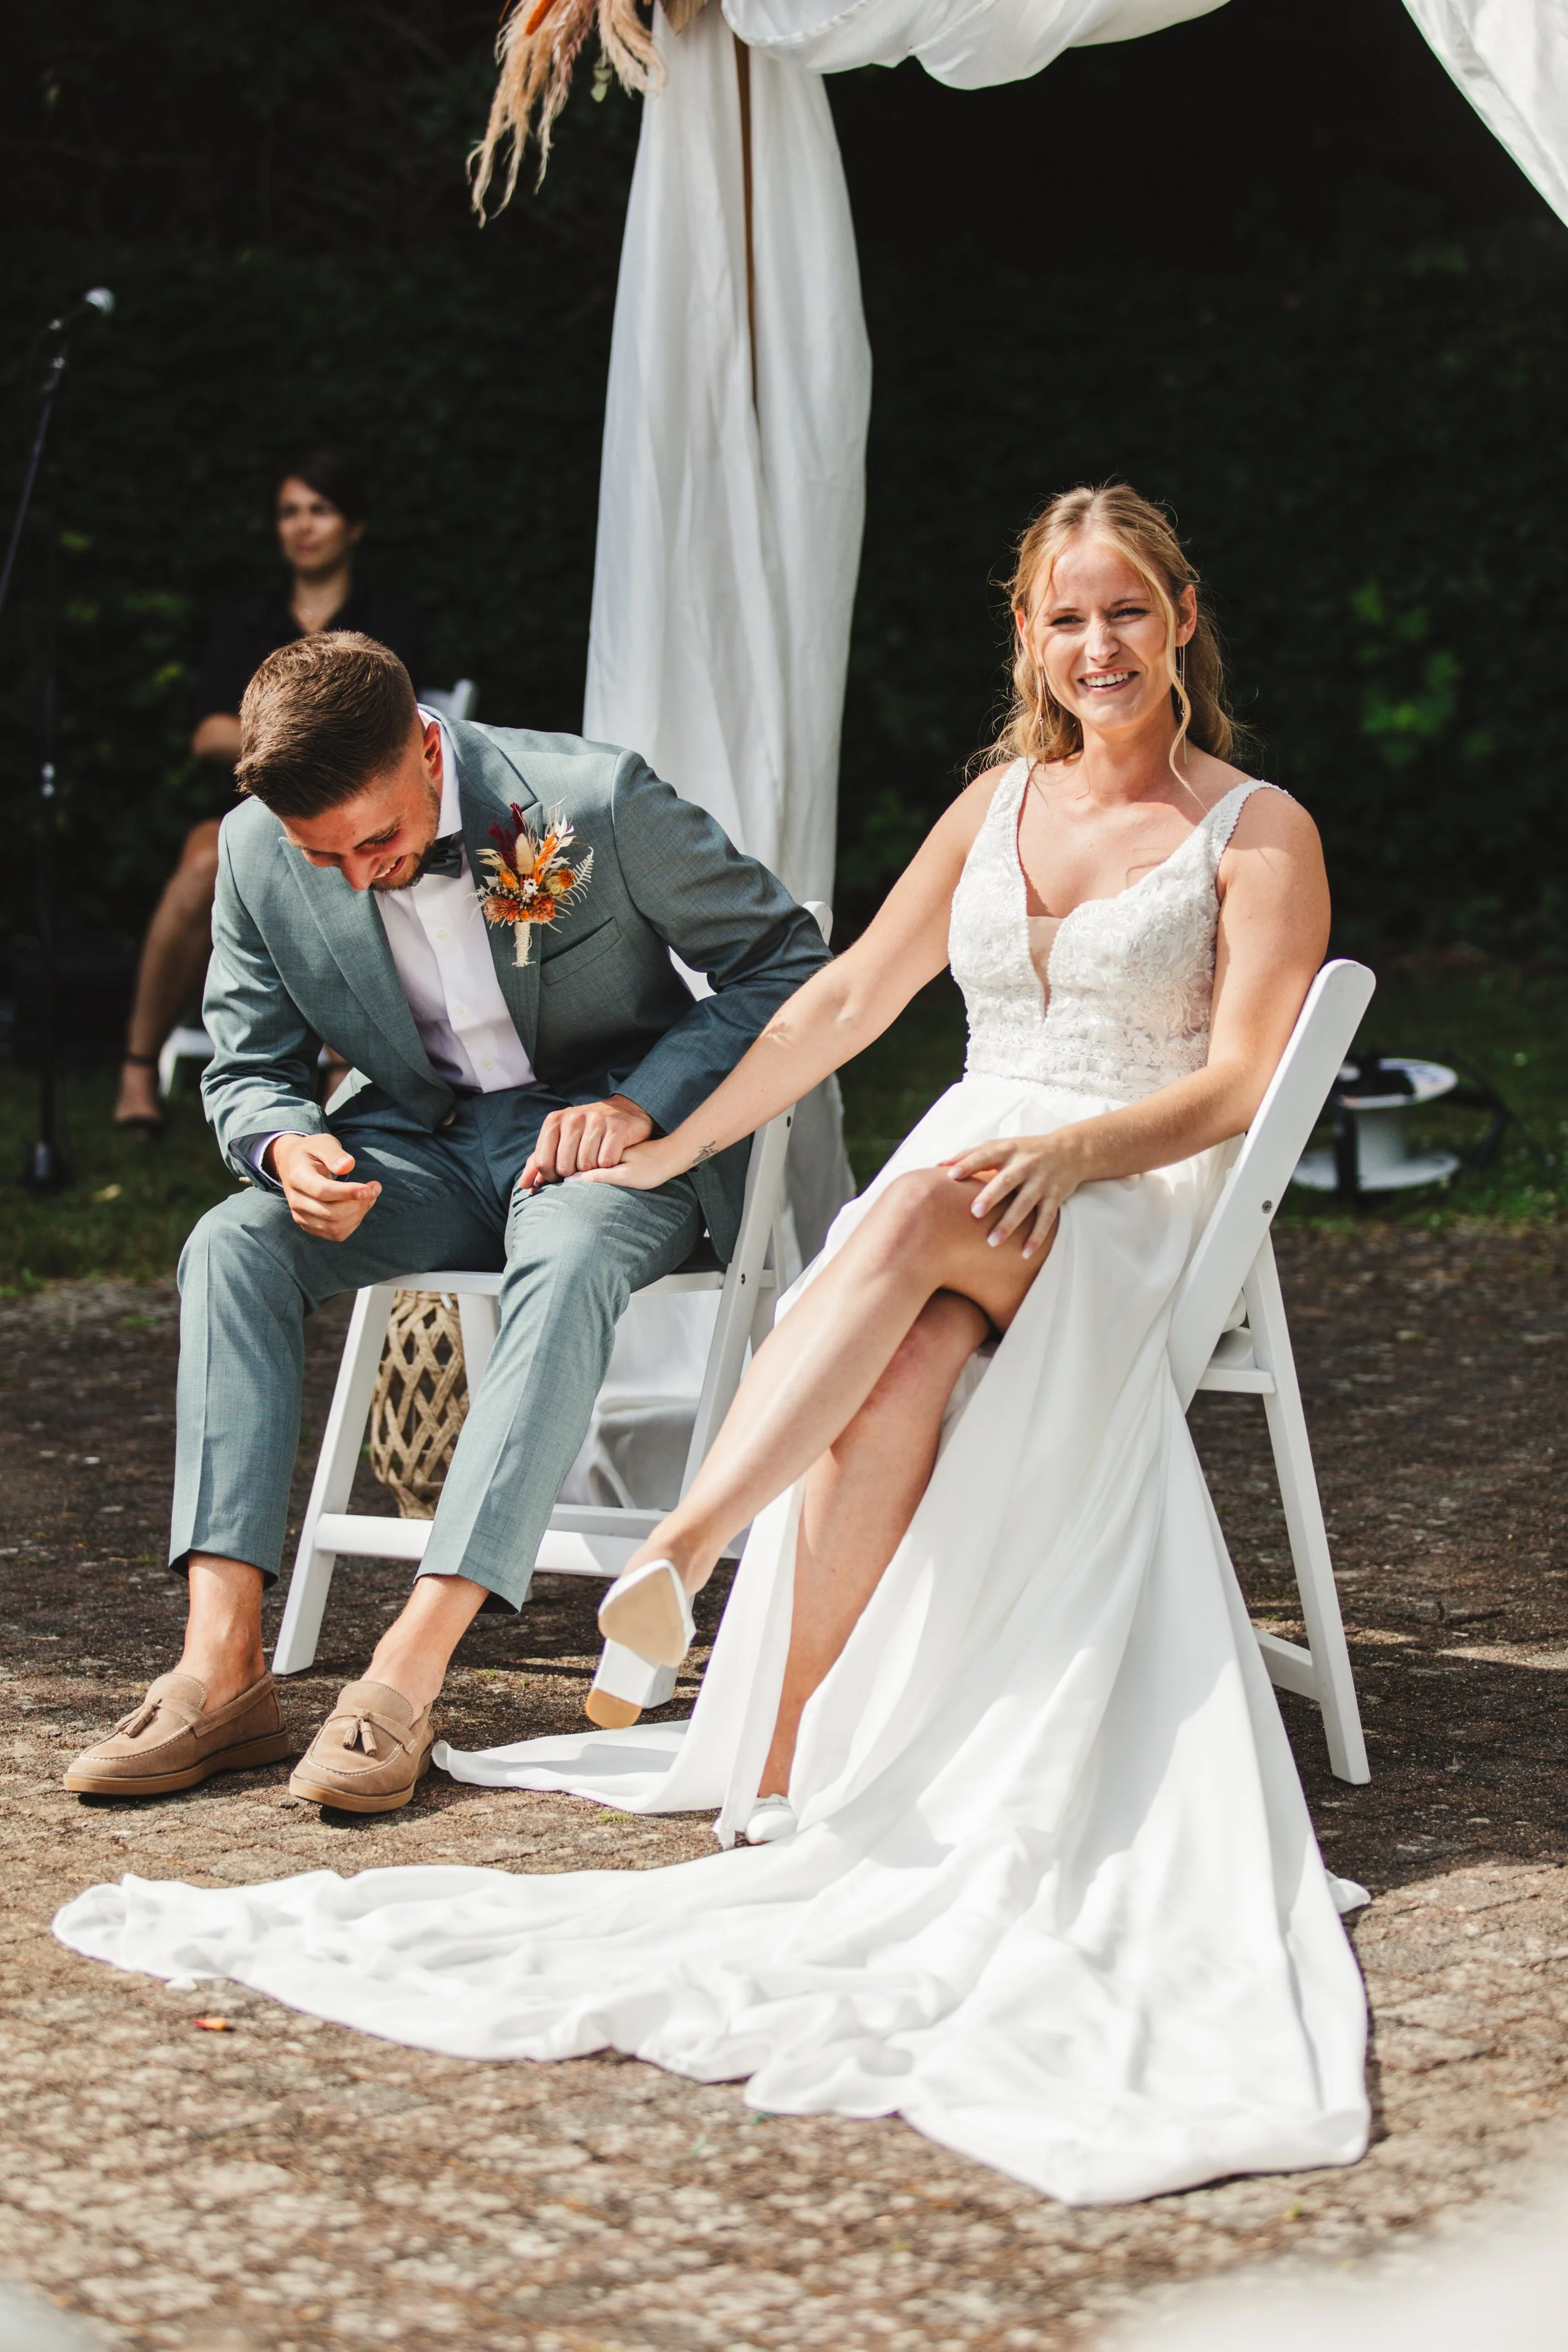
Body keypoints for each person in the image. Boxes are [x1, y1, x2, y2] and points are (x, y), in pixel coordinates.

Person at [56, 488, 1370, 2207]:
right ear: (1027, 635)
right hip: (861, 1171)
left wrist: (1034, 1148)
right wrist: (596, 1143)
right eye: (1064, 619)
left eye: (1125, 612)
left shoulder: (1251, 827)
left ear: (1181, 619)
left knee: (882, 1221)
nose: (1096, 647)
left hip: (1118, 1189)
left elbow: (1223, 1074)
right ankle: (737, 1750)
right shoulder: (992, 804)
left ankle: (645, 1562)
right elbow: (832, 1007)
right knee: (871, 1344)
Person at [67, 629, 830, 1807]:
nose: (362, 875)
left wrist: (644, 1103)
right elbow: (246, 1066)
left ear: (430, 749)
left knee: (569, 1252)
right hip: (414, 1151)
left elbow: (785, 961)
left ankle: (405, 1671)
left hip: (602, 1147)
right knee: (230, 1244)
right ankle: (220, 1672)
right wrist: (284, 1140)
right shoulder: (259, 854)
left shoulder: (591, 799)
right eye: (329, 858)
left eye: (378, 841)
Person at [114, 451, 425, 1137]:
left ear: (355, 526)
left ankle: (348, 1075)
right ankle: (138, 1065)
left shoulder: (385, 616)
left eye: (320, 509)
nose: (302, 526)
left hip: (351, 806)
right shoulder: (249, 615)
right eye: (289, 511)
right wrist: (321, 733)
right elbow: (206, 733)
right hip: (248, 804)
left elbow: (395, 725)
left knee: (362, 870)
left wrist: (269, 729)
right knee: (202, 868)